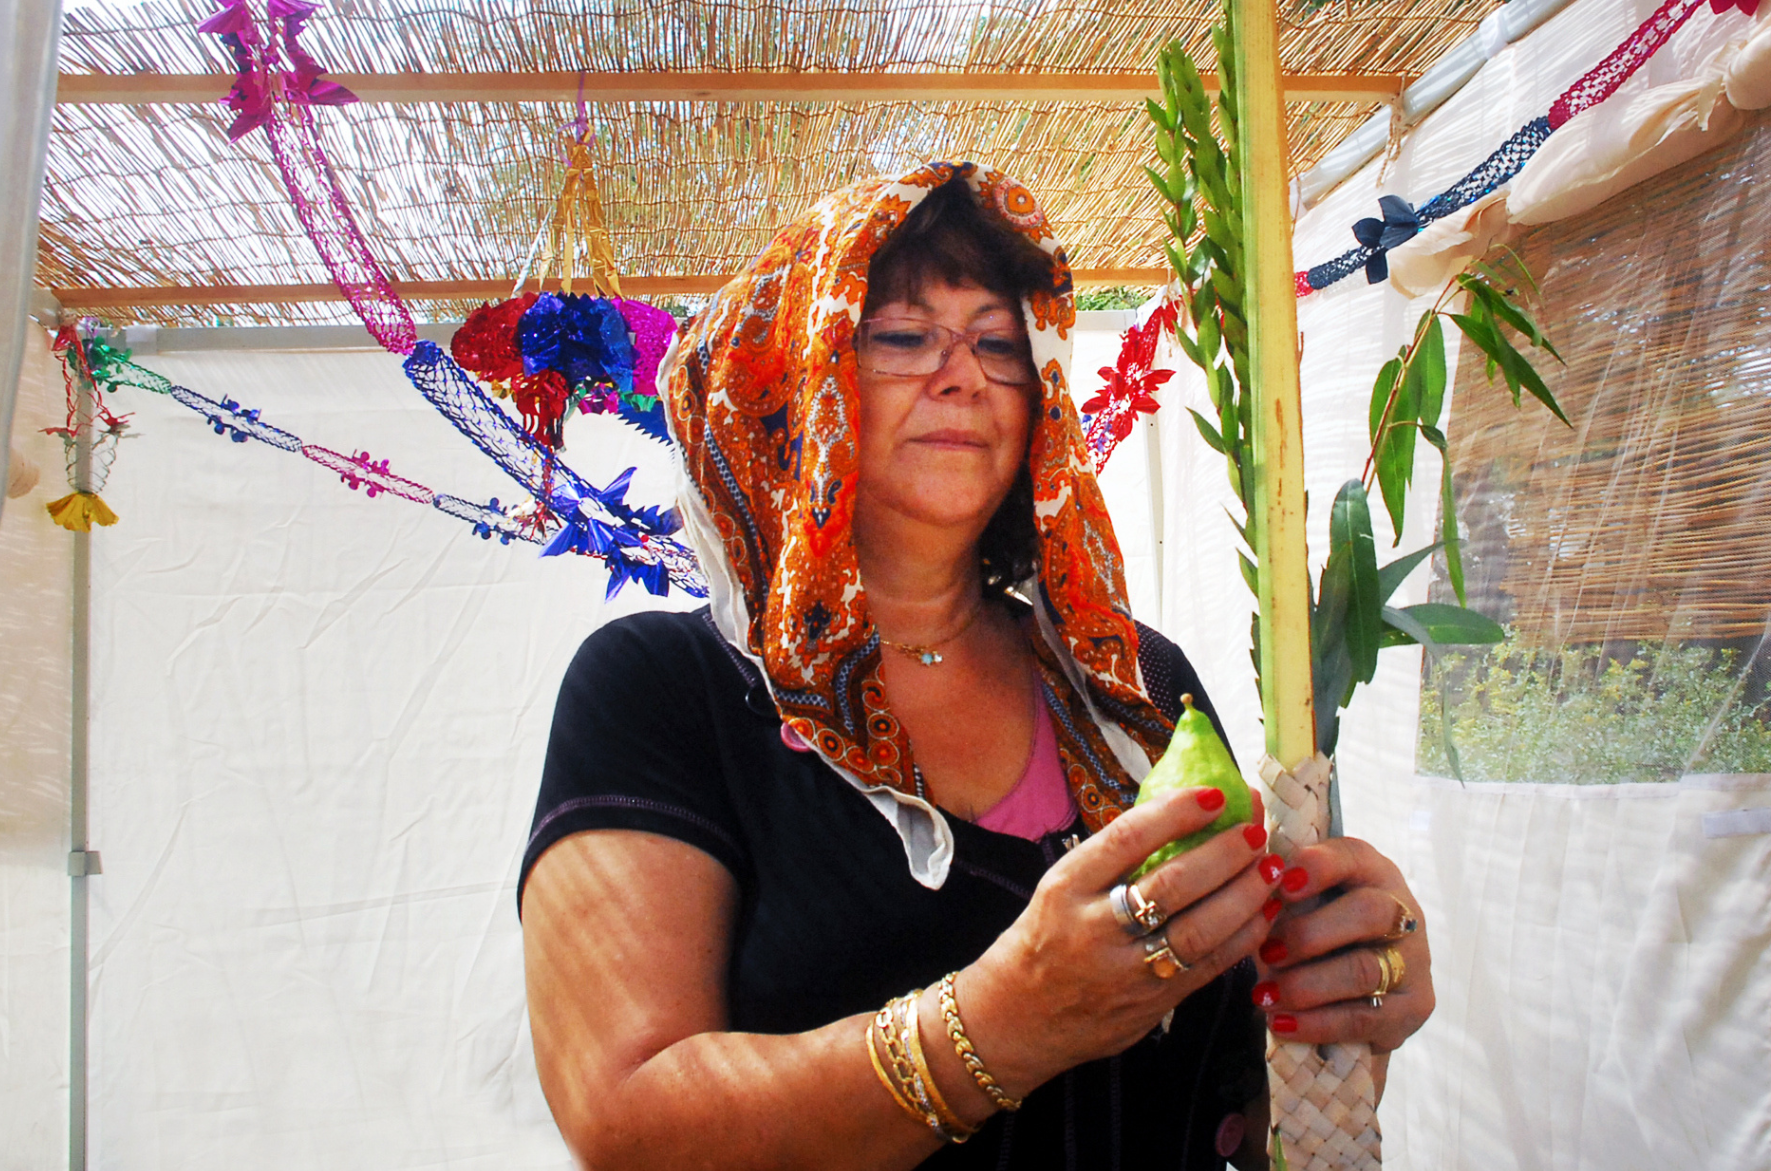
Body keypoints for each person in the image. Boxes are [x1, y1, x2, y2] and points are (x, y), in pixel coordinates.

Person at [519, 162, 1434, 1170]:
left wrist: (1343, 1016)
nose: (964, 376)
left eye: (999, 344)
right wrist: (1002, 1025)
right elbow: (626, 1122)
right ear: (791, 376)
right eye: (903, 337)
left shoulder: (1131, 683)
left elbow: (1239, 1110)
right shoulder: (662, 689)